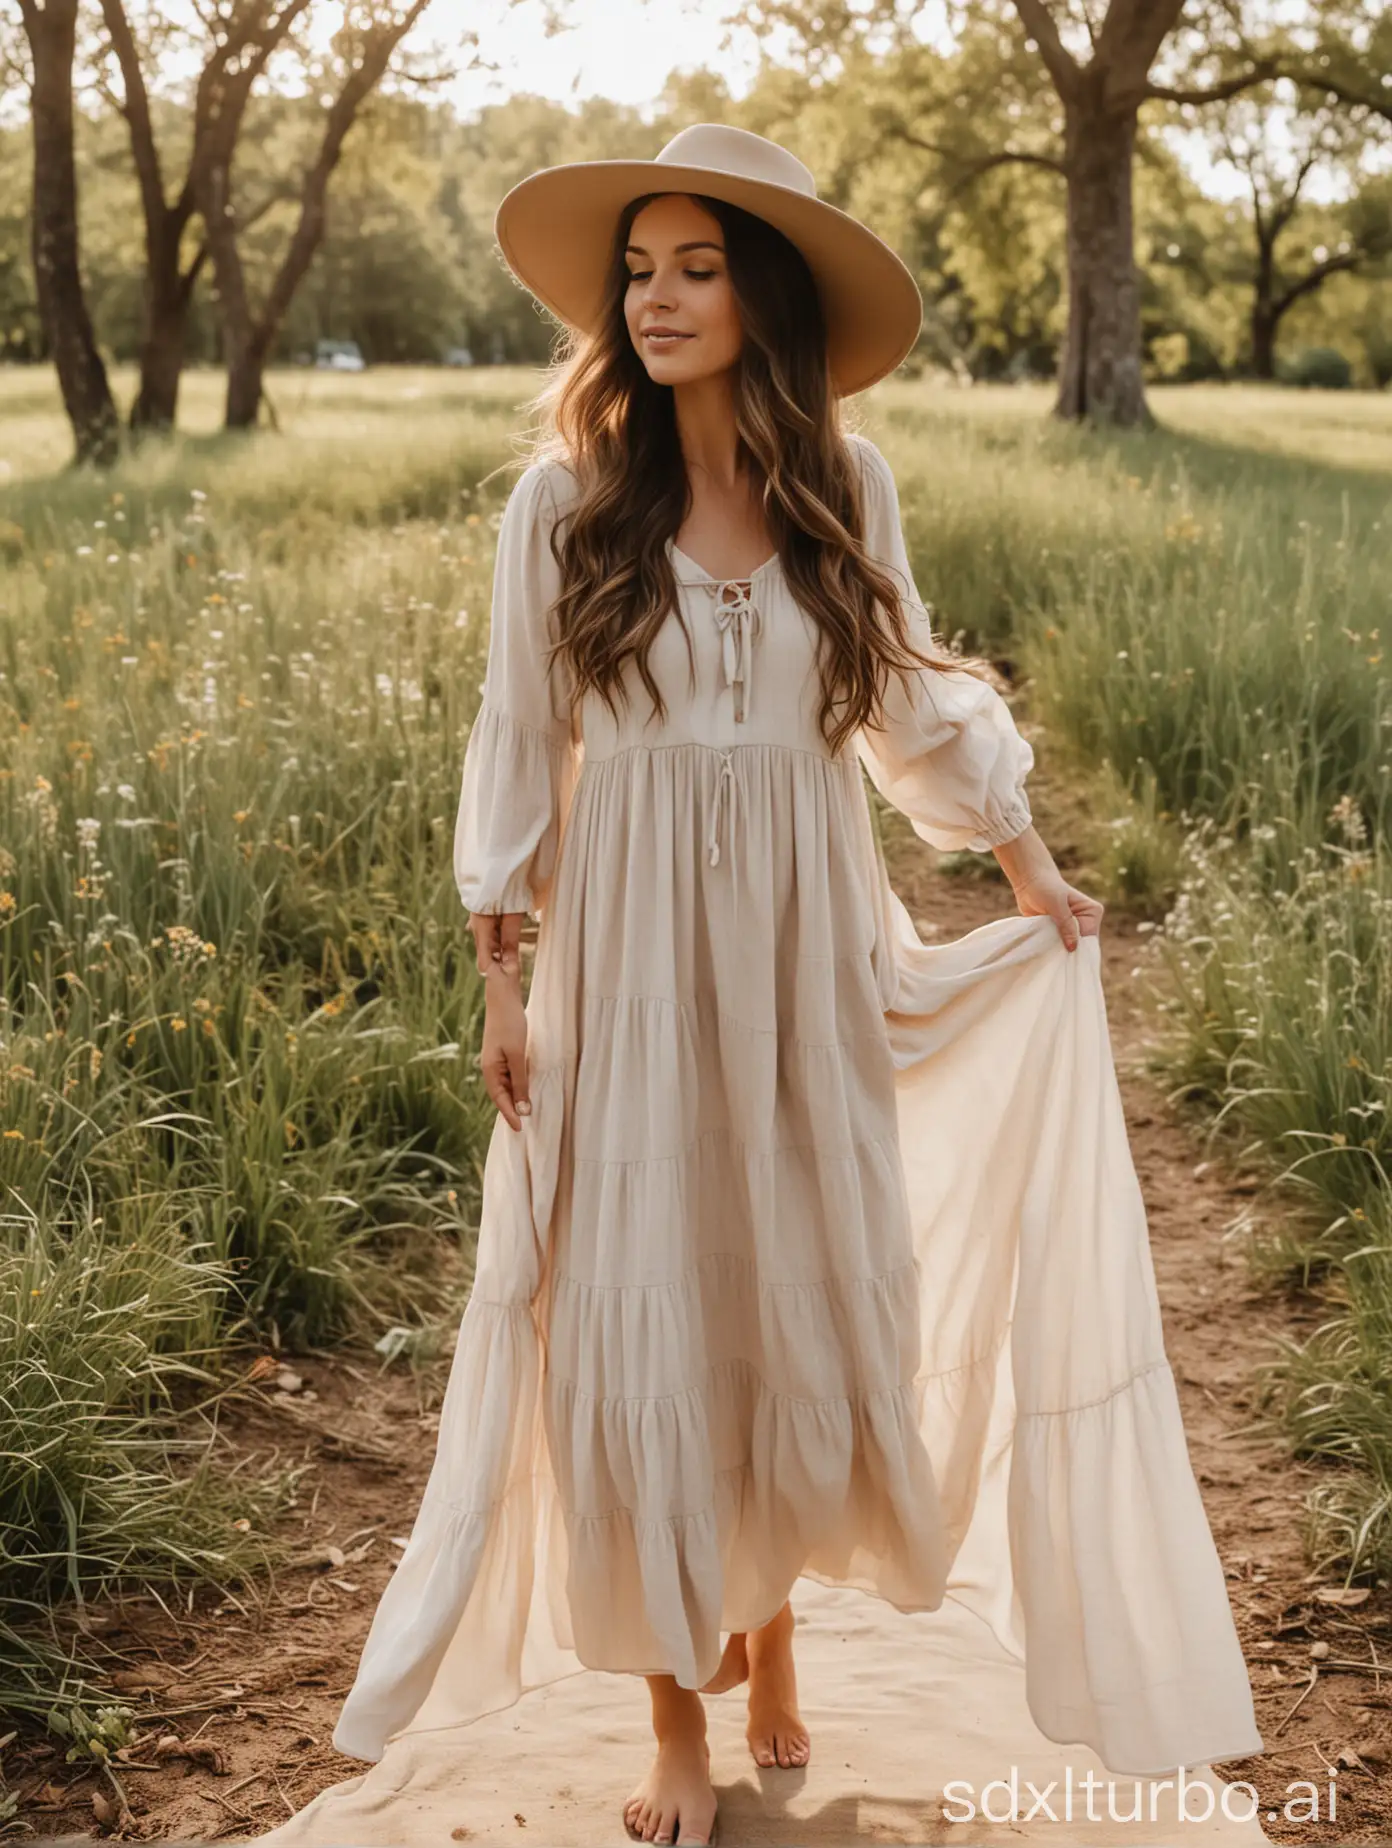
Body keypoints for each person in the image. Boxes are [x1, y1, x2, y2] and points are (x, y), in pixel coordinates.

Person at [329, 124, 1262, 1848]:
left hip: (808, 939)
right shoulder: (564, 503)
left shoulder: (849, 478)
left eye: (698, 267)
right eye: (640, 269)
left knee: (794, 1291)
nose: (660, 298)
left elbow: (905, 694)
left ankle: (772, 1644)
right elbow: (519, 747)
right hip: (629, 952)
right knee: (638, 1309)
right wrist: (504, 980)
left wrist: (1029, 866)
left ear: (763, 299)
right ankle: (675, 1717)